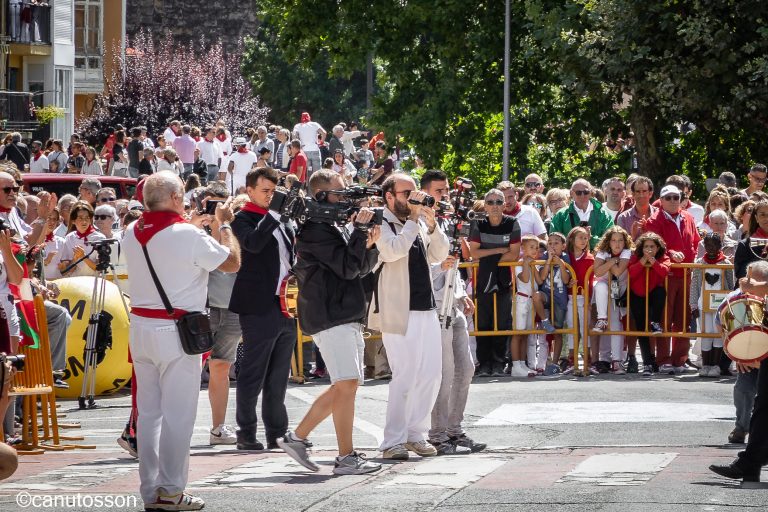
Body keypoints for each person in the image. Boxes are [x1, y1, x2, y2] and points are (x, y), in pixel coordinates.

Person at [123, 171, 239, 511]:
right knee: (179, 415)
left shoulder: (131, 231)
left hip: (142, 328)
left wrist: (191, 222)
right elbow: (231, 263)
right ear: (176, 199)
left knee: (149, 415)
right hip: (175, 332)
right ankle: (171, 490)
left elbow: (166, 240)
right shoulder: (186, 234)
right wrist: (225, 225)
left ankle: (151, 491)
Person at [279, 170, 382, 474]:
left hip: (343, 313)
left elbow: (362, 267)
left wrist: (369, 241)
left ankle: (299, 439)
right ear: (321, 196)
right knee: (346, 383)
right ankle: (342, 455)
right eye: (339, 194)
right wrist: (362, 233)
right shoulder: (315, 230)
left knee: (346, 385)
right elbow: (350, 268)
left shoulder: (333, 227)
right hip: (330, 315)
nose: (345, 201)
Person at [368, 173, 449, 460]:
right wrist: (415, 220)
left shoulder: (415, 224)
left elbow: (440, 253)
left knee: (430, 374)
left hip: (426, 308)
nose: (412, 198)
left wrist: (432, 223)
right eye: (406, 193)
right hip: (398, 310)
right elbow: (392, 252)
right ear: (389, 196)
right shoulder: (380, 223)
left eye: (414, 193)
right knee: (405, 375)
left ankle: (416, 434)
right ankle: (393, 441)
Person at [230, 167, 297, 451]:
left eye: (274, 191)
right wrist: (273, 214)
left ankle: (277, 433)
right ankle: (246, 432)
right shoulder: (242, 218)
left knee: (279, 374)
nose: (271, 196)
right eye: (265, 191)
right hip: (258, 304)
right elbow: (253, 244)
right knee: (253, 373)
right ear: (250, 191)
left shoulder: (282, 221)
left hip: (286, 303)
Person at [420, 170, 485, 455]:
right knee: (444, 372)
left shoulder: (445, 222)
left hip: (453, 303)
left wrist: (461, 294)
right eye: (438, 191)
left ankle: (454, 429)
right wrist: (441, 269)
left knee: (466, 367)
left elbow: (453, 263)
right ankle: (436, 433)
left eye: (446, 190)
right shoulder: (419, 223)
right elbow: (424, 266)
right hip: (434, 305)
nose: (444, 195)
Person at [195, 182, 242, 446]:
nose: (216, 210)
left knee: (222, 366)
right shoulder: (197, 232)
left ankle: (218, 428)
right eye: (211, 204)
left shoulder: (234, 231)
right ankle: (178, 425)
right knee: (192, 368)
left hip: (232, 307)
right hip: (204, 307)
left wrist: (226, 225)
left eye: (221, 205)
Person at [645, 184, 701, 374]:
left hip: (686, 274)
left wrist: (693, 258)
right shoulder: (654, 220)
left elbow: (695, 242)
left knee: (683, 320)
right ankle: (663, 359)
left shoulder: (689, 218)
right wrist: (669, 253)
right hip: (665, 276)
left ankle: (680, 359)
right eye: (668, 198)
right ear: (661, 200)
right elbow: (651, 246)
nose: (672, 201)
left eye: (676, 197)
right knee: (664, 320)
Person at [468, 189, 521, 377]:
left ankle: (499, 363)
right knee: (483, 321)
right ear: (485, 205)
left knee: (502, 320)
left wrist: (488, 258)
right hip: (482, 279)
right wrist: (499, 250)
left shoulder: (512, 223)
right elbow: (474, 252)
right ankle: (484, 363)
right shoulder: (478, 224)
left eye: (499, 202)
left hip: (504, 279)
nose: (495, 206)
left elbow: (514, 253)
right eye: (490, 202)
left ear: (504, 205)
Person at [690, 232, 734, 378]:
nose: (710, 247)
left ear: (720, 246)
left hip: (720, 305)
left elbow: (731, 284)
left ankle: (715, 366)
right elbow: (694, 285)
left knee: (717, 334)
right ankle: (706, 365)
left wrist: (730, 304)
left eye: (714, 244)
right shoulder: (700, 263)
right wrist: (693, 305)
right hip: (703, 304)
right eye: (707, 244)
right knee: (706, 333)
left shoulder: (726, 263)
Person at [628, 232, 670, 376]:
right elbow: (631, 272)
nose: (649, 249)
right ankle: (647, 363)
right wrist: (642, 262)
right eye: (646, 246)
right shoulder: (635, 257)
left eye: (652, 246)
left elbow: (665, 271)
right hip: (637, 294)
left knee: (660, 292)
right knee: (641, 328)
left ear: (658, 248)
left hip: (653, 293)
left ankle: (656, 322)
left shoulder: (663, 257)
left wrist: (654, 263)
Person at [592, 226, 632, 374]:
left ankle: (617, 360)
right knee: (600, 286)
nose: (617, 244)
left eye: (620, 240)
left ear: (625, 242)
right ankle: (601, 319)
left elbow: (617, 271)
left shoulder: (627, 252)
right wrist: (613, 261)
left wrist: (608, 263)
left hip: (619, 288)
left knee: (615, 323)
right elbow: (597, 272)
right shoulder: (603, 251)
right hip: (605, 287)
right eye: (614, 240)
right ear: (608, 242)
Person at [536, 232, 571, 371]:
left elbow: (567, 279)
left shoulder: (566, 257)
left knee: (557, 331)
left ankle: (554, 363)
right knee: (536, 296)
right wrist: (549, 261)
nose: (552, 246)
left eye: (556, 243)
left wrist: (561, 264)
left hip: (560, 297)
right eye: (549, 243)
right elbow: (542, 276)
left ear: (563, 246)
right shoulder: (544, 257)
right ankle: (545, 320)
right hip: (546, 294)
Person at [509, 236, 543, 377]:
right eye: (531, 247)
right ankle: (515, 365)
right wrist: (526, 265)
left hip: (531, 302)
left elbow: (539, 281)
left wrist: (534, 266)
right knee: (518, 334)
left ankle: (523, 364)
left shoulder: (535, 263)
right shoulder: (519, 263)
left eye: (536, 247)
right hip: (521, 300)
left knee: (525, 334)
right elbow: (524, 279)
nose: (534, 250)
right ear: (523, 248)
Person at [562, 226, 594, 374]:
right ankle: (571, 358)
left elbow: (592, 280)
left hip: (584, 297)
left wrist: (589, 300)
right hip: (569, 296)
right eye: (580, 237)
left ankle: (588, 359)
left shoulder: (590, 258)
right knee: (571, 326)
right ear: (572, 239)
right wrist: (568, 282)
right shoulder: (566, 257)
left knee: (585, 327)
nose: (583, 240)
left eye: (585, 238)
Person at [549, 179, 613, 249]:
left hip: (597, 258)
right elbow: (553, 243)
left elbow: (611, 241)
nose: (582, 195)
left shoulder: (603, 215)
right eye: (578, 192)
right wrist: (576, 239)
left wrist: (591, 238)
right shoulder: (561, 215)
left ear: (591, 192)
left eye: (586, 192)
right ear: (571, 193)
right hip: (569, 259)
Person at [58, 201, 106, 277]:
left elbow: (99, 268)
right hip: (75, 283)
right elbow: (66, 271)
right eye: (80, 218)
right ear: (73, 221)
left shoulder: (100, 238)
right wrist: (75, 259)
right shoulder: (69, 238)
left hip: (93, 282)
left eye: (87, 218)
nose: (84, 221)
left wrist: (83, 257)